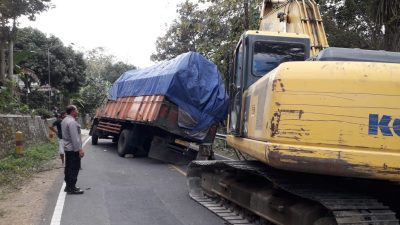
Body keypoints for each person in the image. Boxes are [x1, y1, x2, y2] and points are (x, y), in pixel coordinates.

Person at [61, 105, 85, 194]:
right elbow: (75, 138)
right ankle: (72, 188)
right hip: (73, 149)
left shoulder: (64, 120)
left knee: (68, 168)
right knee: (74, 168)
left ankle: (68, 186)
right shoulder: (72, 122)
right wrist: (80, 150)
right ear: (72, 111)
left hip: (67, 148)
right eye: (76, 110)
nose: (77, 111)